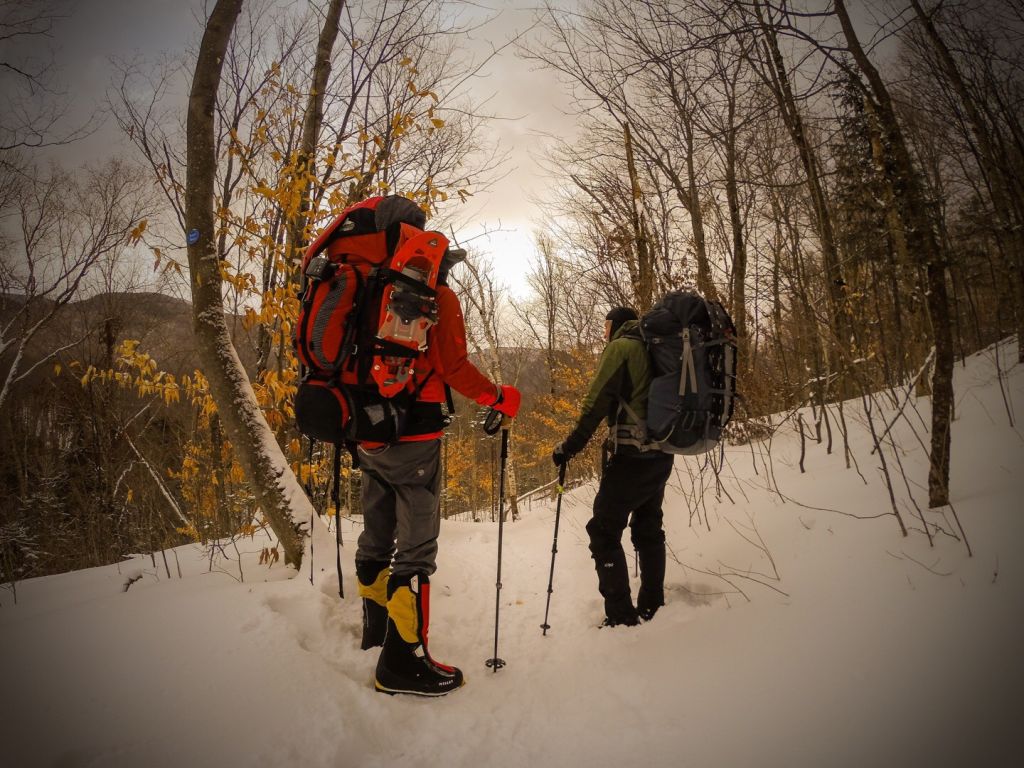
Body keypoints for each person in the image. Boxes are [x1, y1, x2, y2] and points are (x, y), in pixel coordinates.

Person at [355, 245, 521, 697]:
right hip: (415, 436)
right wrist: (499, 397)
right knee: (416, 547)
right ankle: (401, 664)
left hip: (366, 431)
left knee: (377, 527)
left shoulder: (367, 286)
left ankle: (376, 631)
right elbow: (453, 366)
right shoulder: (438, 297)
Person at [552, 306, 674, 626]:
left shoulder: (621, 348)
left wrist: (570, 446)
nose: (603, 332)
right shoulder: (655, 347)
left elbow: (595, 403)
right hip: (661, 453)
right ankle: (652, 602)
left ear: (617, 324)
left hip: (633, 456)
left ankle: (621, 617)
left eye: (606, 325)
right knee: (648, 528)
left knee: (603, 531)